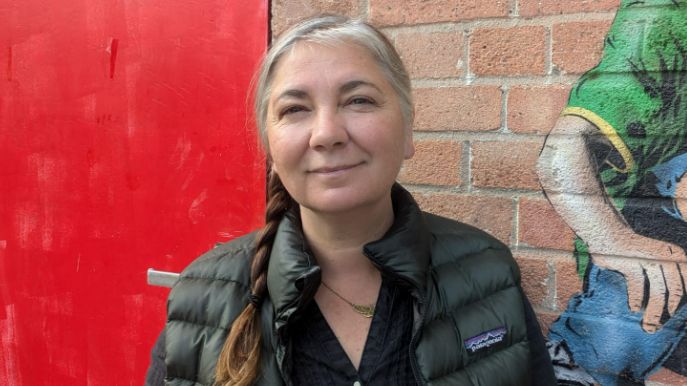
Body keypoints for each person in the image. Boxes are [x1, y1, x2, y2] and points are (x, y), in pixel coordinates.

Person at [146, 15, 555, 386]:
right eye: (295, 109)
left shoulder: (486, 276)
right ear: (269, 145)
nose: (327, 133)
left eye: (358, 100)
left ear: (408, 127)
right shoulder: (200, 303)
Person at [537, 1, 687, 384]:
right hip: (646, 251)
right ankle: (581, 363)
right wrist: (616, 240)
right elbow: (562, 153)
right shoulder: (665, 16)